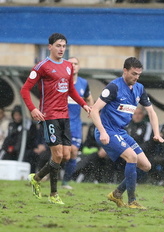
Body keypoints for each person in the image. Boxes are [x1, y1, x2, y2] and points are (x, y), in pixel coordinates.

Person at [20, 33, 91, 205]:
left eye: (64, 46)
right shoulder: (41, 66)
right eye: (58, 46)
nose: (61, 49)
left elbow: (71, 90)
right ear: (50, 47)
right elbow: (24, 90)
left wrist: (84, 105)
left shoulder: (68, 66)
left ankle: (36, 178)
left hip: (64, 116)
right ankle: (54, 194)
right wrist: (33, 109)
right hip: (49, 116)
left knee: (66, 155)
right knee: (57, 154)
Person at [89, 57, 164, 209]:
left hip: (121, 133)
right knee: (132, 157)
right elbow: (94, 110)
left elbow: (151, 111)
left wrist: (157, 133)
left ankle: (116, 194)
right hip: (108, 131)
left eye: (139, 74)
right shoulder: (113, 87)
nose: (136, 77)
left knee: (146, 165)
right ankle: (132, 201)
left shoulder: (139, 88)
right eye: (134, 73)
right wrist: (103, 132)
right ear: (125, 71)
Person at [61, 57, 94, 190]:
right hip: (61, 122)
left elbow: (89, 97)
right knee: (62, 154)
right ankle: (50, 173)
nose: (73, 66)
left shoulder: (83, 83)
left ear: (79, 67)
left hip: (75, 123)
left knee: (73, 152)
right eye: (70, 64)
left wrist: (90, 109)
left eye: (75, 64)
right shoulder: (61, 81)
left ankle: (65, 181)